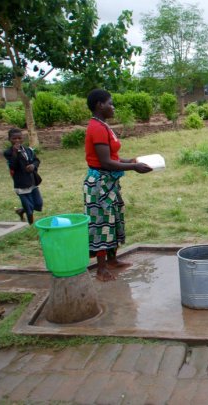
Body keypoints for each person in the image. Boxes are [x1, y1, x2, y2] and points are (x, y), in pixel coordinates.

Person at [84, 89, 152, 282]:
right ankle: (101, 270)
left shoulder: (103, 126)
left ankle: (112, 260)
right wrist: (134, 166)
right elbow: (105, 162)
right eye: (110, 103)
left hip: (109, 182)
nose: (113, 107)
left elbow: (111, 158)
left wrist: (130, 160)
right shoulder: (96, 128)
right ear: (99, 105)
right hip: (99, 184)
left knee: (113, 220)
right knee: (101, 224)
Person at [3, 128, 43, 225]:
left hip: (32, 181)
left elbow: (36, 160)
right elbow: (13, 166)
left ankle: (21, 211)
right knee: (29, 209)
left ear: (22, 139)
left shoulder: (28, 150)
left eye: (19, 138)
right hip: (21, 184)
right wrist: (15, 153)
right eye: (14, 139)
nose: (17, 141)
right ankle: (31, 225)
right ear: (9, 139)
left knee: (38, 204)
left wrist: (33, 166)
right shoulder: (8, 153)